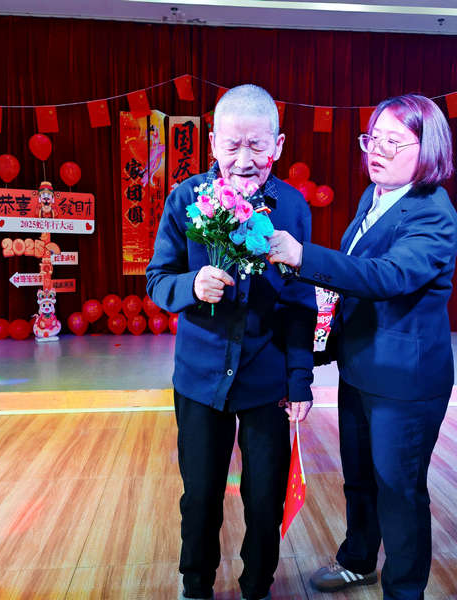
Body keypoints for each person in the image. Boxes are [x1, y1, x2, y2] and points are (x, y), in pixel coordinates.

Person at [267, 93, 457, 600]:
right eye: (373, 138)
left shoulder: (432, 214)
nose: (377, 150)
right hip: (360, 367)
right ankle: (358, 561)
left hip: (404, 383)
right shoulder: (374, 197)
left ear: (428, 149)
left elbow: (386, 276)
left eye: (394, 142)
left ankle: (404, 591)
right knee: (359, 479)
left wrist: (302, 256)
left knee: (399, 491)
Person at [146, 84, 316, 600]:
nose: (244, 161)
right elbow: (157, 280)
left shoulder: (292, 206)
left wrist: (300, 379)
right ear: (213, 143)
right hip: (200, 378)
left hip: (266, 380)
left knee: (264, 499)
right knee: (200, 494)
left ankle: (257, 586)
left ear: (278, 145)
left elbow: (300, 301)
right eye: (232, 145)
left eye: (257, 146)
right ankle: (196, 584)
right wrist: (191, 286)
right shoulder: (186, 199)